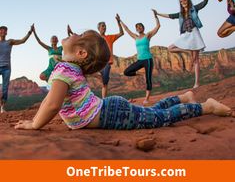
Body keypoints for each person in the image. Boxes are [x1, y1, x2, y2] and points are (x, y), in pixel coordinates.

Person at [15, 31, 232, 131]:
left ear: (80, 53)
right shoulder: (67, 69)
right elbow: (49, 102)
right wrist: (34, 120)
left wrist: (35, 124)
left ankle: (206, 107)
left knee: (160, 117)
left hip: (112, 114)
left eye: (78, 35)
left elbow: (52, 105)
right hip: (109, 110)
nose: (73, 33)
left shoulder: (64, 70)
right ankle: (184, 96)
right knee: (154, 112)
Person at [156, 0, 210, 89]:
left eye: (184, 0)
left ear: (187, 1)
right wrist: (158, 13)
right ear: (180, 3)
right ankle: (187, 50)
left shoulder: (194, 9)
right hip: (185, 34)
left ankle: (197, 83)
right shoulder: (180, 14)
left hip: (194, 33)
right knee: (170, 48)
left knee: (196, 60)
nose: (183, 1)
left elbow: (204, 2)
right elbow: (170, 16)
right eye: (181, 1)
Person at [67, 14, 124, 98]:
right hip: (94, 62)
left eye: (105, 26)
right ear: (98, 28)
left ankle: (103, 100)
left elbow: (121, 33)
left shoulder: (110, 37)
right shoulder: (95, 38)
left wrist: (118, 22)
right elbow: (81, 39)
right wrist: (71, 33)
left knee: (105, 83)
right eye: (102, 26)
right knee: (83, 75)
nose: (104, 27)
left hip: (106, 63)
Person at [119, 10, 160, 104]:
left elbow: (158, 26)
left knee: (148, 79)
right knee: (127, 72)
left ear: (143, 28)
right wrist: (120, 20)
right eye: (137, 27)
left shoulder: (148, 35)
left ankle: (147, 98)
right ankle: (141, 74)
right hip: (140, 60)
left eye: (140, 26)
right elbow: (127, 29)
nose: (138, 28)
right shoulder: (135, 37)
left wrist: (156, 16)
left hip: (148, 60)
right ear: (136, 29)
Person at [0, 24, 34, 113]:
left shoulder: (10, 42)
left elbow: (22, 41)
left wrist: (29, 32)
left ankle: (2, 107)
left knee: (5, 88)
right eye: (1, 30)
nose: (3, 31)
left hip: (6, 68)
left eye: (4, 30)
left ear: (6, 32)